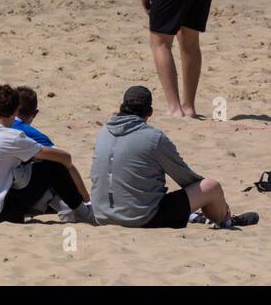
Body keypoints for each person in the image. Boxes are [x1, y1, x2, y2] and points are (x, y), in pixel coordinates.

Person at [92, 86, 257, 230]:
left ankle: (196, 216)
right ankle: (226, 220)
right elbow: (186, 179)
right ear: (150, 112)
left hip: (101, 215)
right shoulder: (153, 138)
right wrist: (218, 205)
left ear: (122, 107)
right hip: (140, 218)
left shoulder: (103, 132)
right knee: (211, 187)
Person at [0, 84, 95, 224]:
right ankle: (83, 213)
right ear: (16, 111)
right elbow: (65, 157)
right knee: (53, 166)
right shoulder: (13, 137)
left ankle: (61, 205)